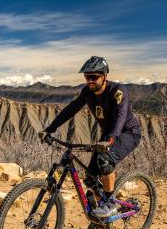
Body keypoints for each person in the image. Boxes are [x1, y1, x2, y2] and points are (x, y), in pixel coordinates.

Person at [39, 56, 141, 218]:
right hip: (107, 136)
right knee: (90, 178)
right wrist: (49, 129)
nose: (90, 81)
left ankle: (109, 203)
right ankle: (102, 217)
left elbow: (121, 117)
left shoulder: (118, 91)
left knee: (104, 160)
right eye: (87, 77)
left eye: (94, 77)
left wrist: (111, 139)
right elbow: (71, 109)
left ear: (105, 76)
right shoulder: (87, 92)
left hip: (128, 133)